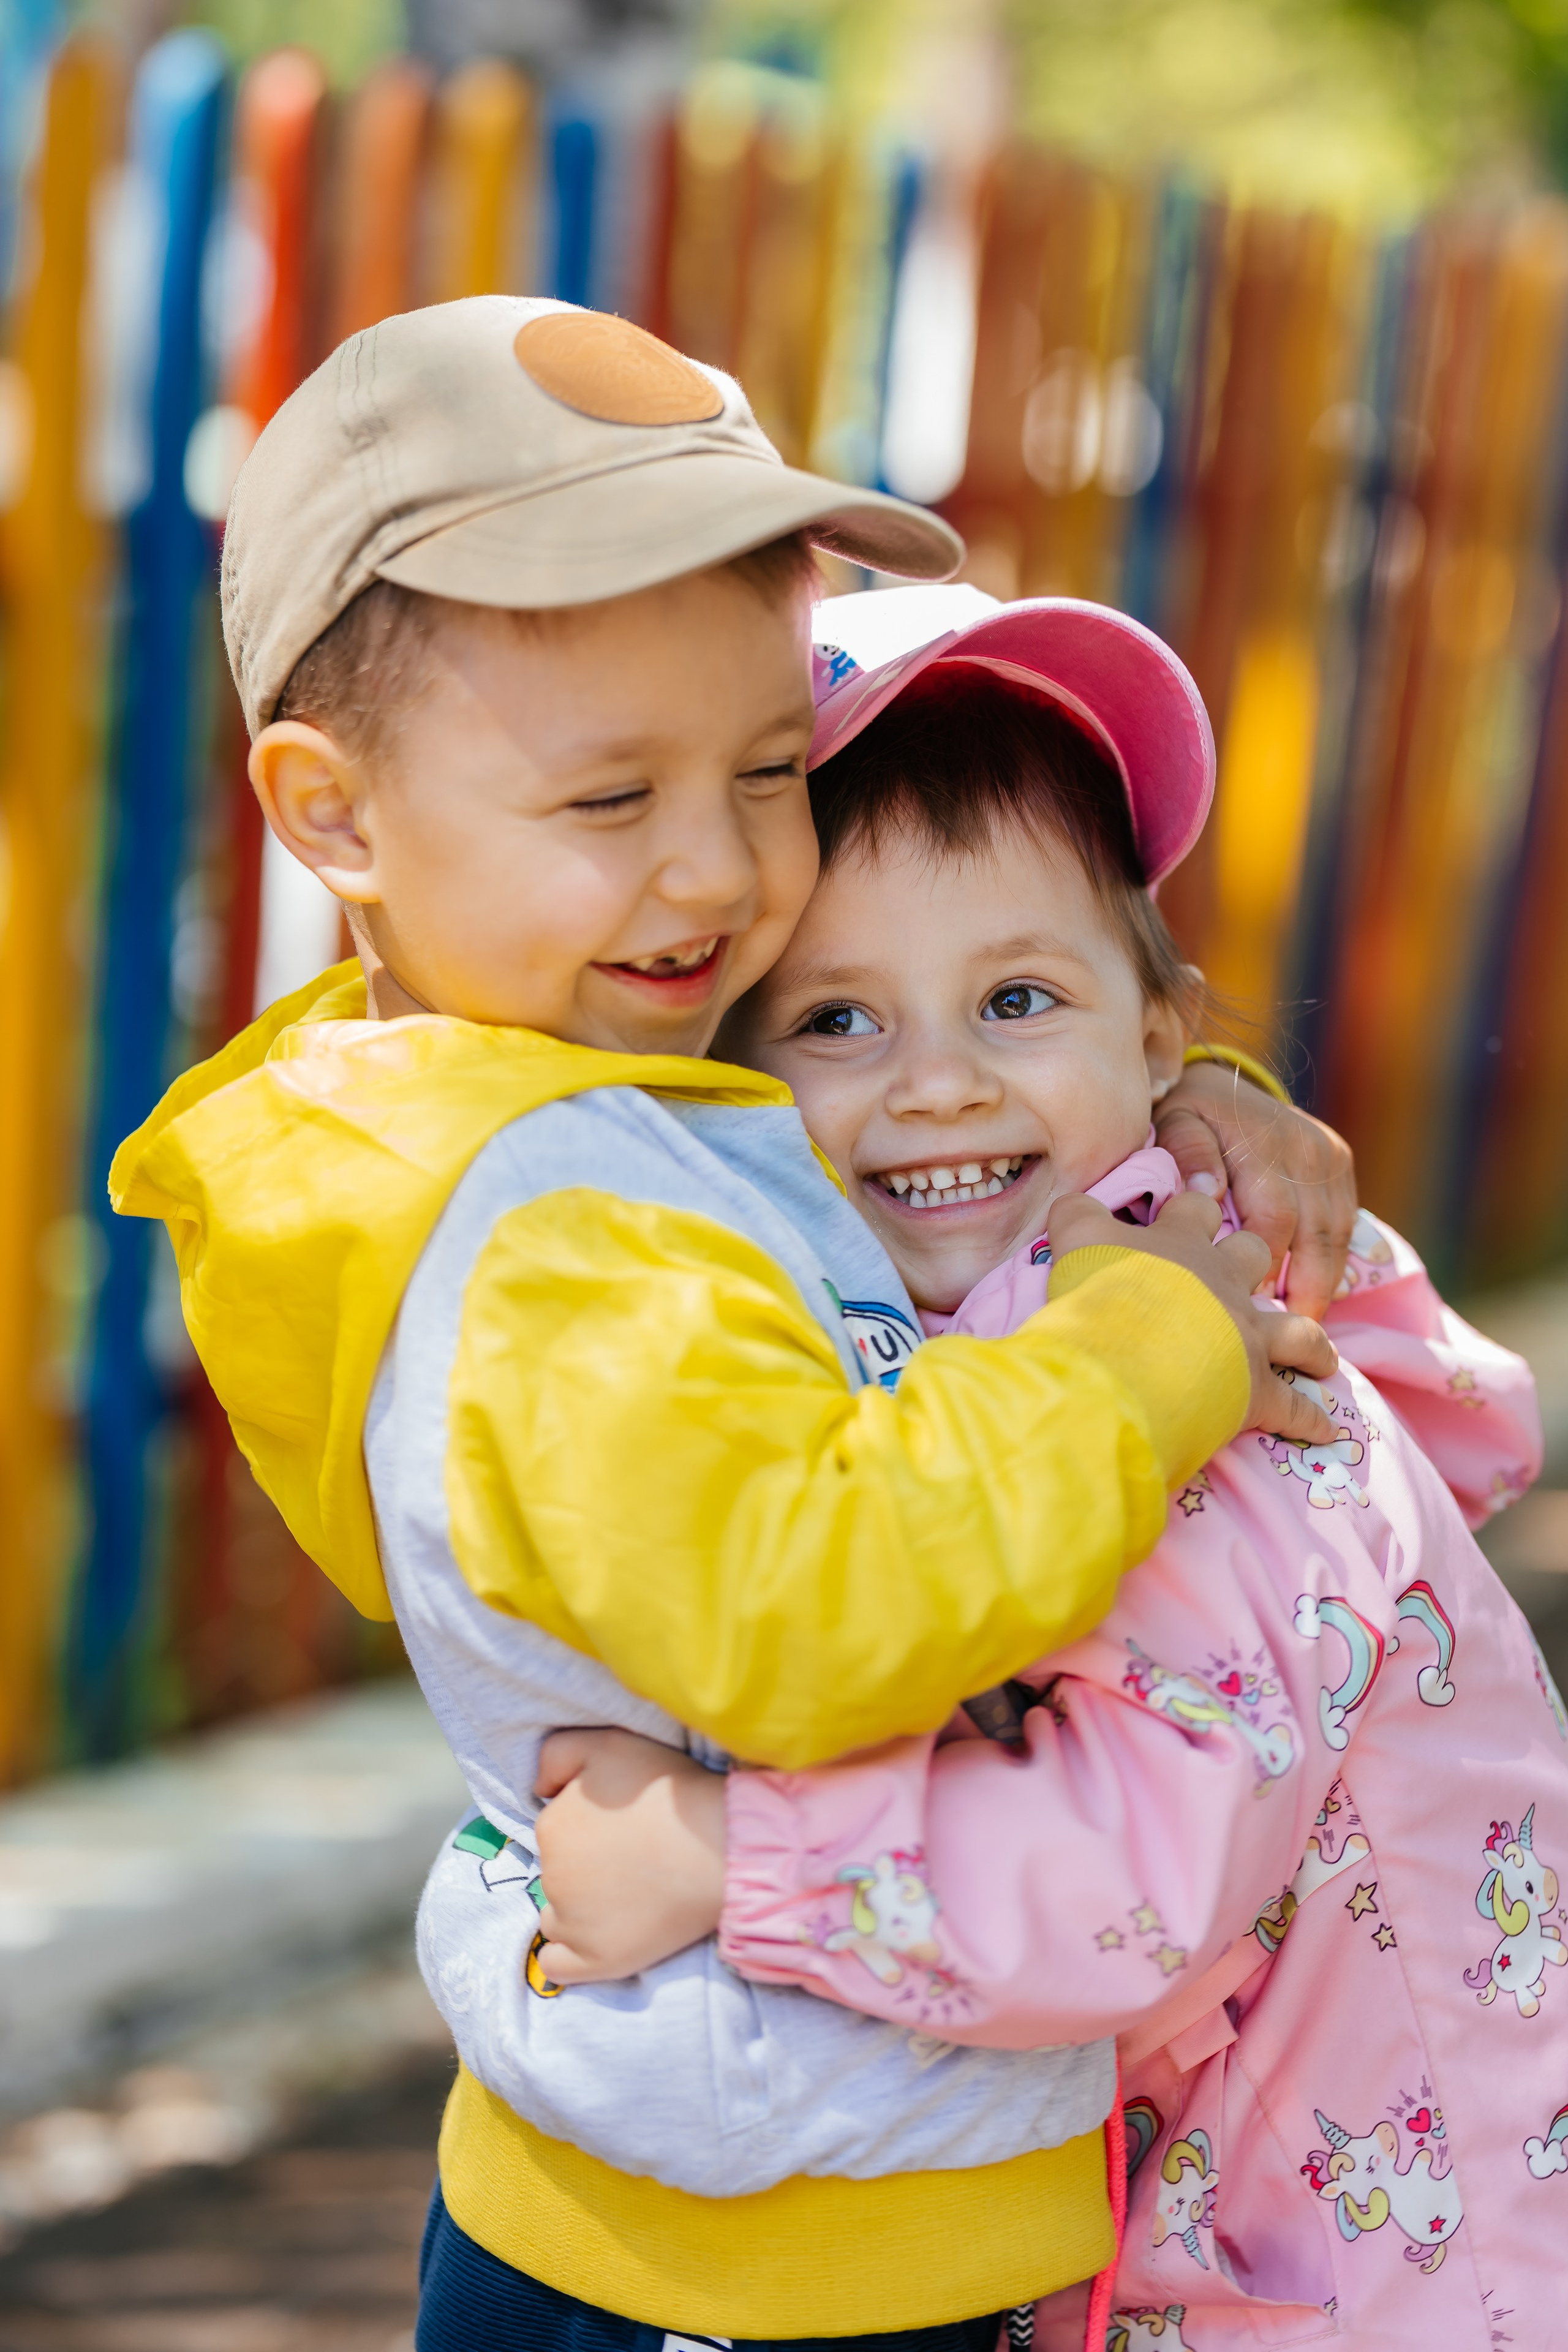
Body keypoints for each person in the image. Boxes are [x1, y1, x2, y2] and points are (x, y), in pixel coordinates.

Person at [111, 300, 1348, 2350]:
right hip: (756, 2259)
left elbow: (929, 1122)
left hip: (803, 2186)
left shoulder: (576, 1072)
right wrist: (1147, 1339)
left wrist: (1177, 1108)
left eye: (770, 770)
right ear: (331, 819)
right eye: (612, 802)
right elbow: (818, 1612)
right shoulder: (551, 1240)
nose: (720, 872)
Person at [530, 591, 1558, 2350]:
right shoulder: (1032, 1327)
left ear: (1158, 1042)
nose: (935, 1085)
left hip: (1396, 2283)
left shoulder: (1200, 1399)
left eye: (1015, 997)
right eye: (836, 1022)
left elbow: (1131, 1891)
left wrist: (727, 1862)